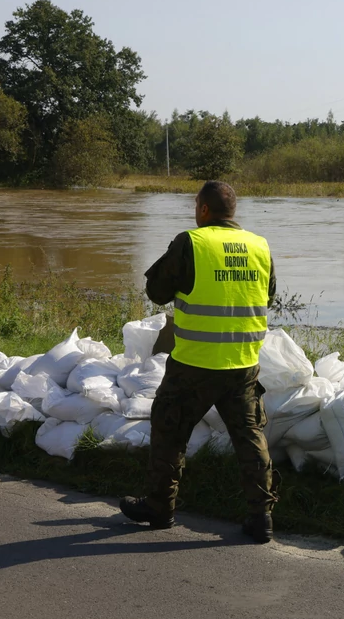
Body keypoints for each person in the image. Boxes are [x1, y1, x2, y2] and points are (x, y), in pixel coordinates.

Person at [119, 180, 278, 543]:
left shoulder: (192, 242)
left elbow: (156, 292)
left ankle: (160, 508)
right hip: (242, 363)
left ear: (203, 209)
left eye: (196, 206)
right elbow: (268, 293)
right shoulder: (260, 246)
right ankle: (261, 518)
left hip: (194, 364)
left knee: (169, 431)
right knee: (250, 437)